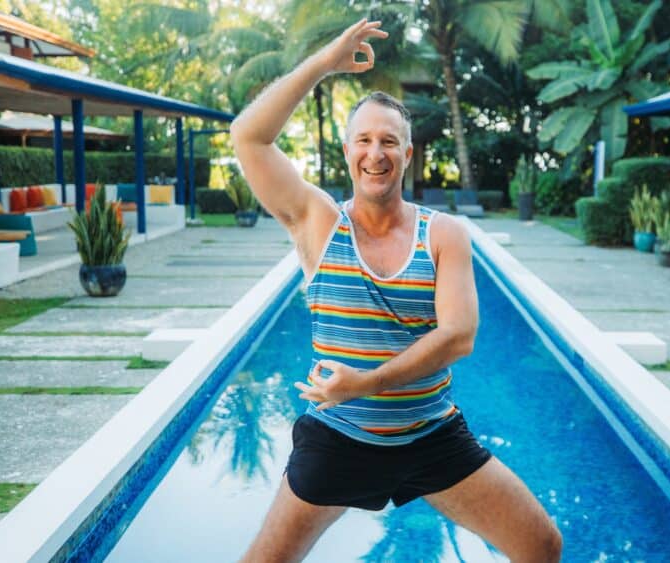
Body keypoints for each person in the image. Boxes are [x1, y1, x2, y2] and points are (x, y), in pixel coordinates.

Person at [230, 19, 562, 563]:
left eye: (389, 142)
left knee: (542, 545)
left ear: (408, 155)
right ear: (347, 150)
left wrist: (366, 382)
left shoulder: (444, 233)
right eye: (364, 140)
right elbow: (249, 136)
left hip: (430, 435)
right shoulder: (317, 223)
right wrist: (322, 64)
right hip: (338, 437)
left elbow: (459, 337)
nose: (375, 153)